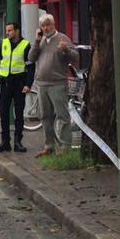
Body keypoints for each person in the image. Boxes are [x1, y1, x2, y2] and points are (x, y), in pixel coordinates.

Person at [27, 13, 79, 156]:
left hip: (58, 83)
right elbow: (31, 58)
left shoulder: (63, 38)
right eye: (43, 26)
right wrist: (37, 41)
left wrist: (66, 50)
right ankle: (49, 146)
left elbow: (76, 58)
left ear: (53, 24)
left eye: (48, 24)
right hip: (42, 84)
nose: (46, 28)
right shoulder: (41, 40)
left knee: (62, 116)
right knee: (45, 116)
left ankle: (65, 147)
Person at [0, 21, 33, 153]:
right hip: (5, 84)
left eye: (10, 30)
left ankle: (18, 142)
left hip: (19, 85)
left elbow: (31, 67)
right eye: (7, 31)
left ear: (17, 31)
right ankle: (5, 142)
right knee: (4, 113)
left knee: (19, 113)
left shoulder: (25, 45)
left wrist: (28, 84)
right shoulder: (3, 44)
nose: (7, 33)